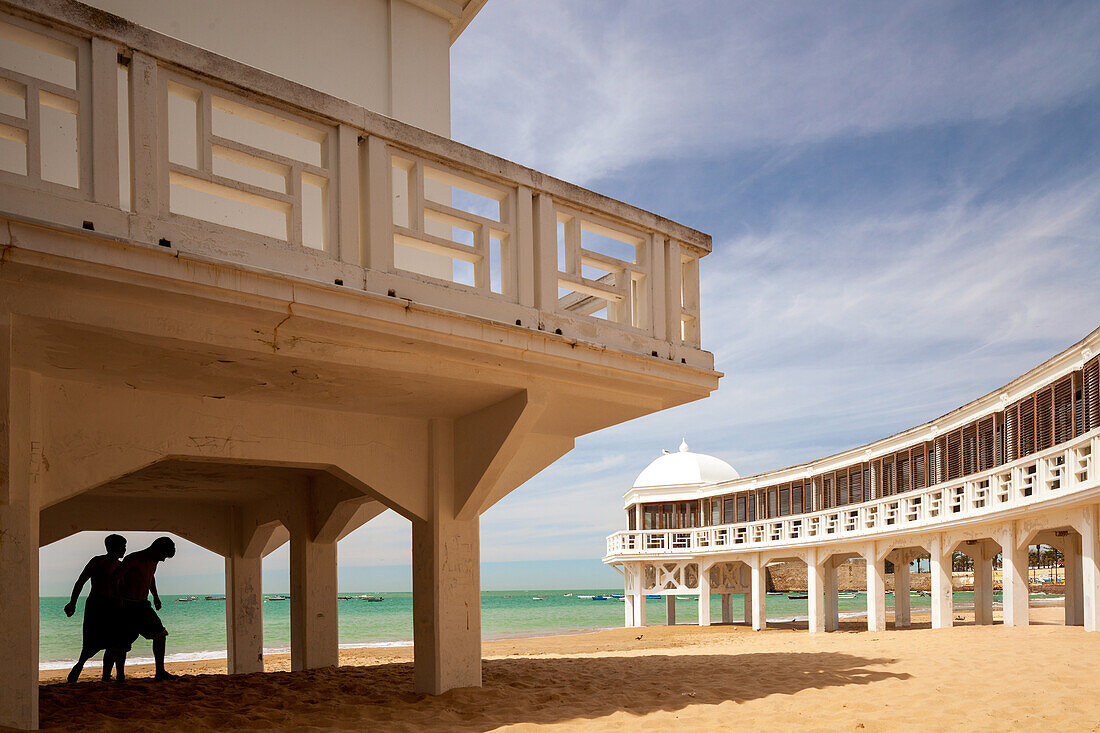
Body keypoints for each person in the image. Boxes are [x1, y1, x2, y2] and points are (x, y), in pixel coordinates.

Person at [112, 536, 177, 681]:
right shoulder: (132, 559)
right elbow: (115, 578)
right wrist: (117, 599)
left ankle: (160, 671)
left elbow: (150, 577)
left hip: (143, 605)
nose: (163, 560)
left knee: (160, 634)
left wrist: (156, 596)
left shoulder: (154, 561)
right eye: (163, 556)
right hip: (127, 605)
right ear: (156, 549)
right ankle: (120, 676)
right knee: (122, 642)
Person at [64, 534, 127, 683]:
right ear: (112, 547)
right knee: (91, 643)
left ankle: (110, 676)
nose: (124, 549)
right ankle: (79, 666)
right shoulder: (98, 561)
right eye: (122, 546)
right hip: (97, 606)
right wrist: (72, 602)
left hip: (116, 607)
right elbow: (81, 581)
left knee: (116, 644)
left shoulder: (121, 566)